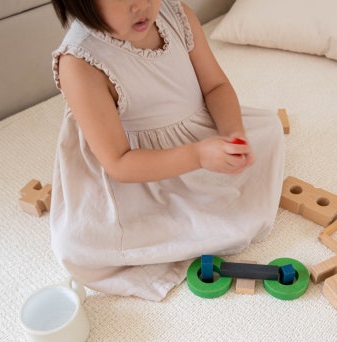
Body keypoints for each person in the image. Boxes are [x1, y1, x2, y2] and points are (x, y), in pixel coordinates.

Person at [49, 0, 285, 301]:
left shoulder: (177, 15)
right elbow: (119, 163)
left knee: (269, 129)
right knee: (78, 243)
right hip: (139, 168)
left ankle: (201, 199)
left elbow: (215, 86)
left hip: (197, 134)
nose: (142, 5)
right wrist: (198, 156)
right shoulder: (80, 63)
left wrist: (232, 134)